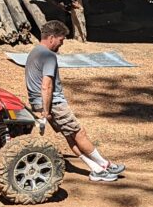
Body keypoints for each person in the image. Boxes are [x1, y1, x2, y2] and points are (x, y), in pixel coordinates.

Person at [25, 20, 124, 183]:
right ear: (51, 38)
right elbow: (46, 86)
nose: (60, 45)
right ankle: (105, 165)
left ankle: (97, 169)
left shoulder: (34, 52)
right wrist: (47, 110)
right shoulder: (48, 56)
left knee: (70, 136)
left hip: (40, 102)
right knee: (79, 133)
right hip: (53, 104)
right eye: (60, 40)